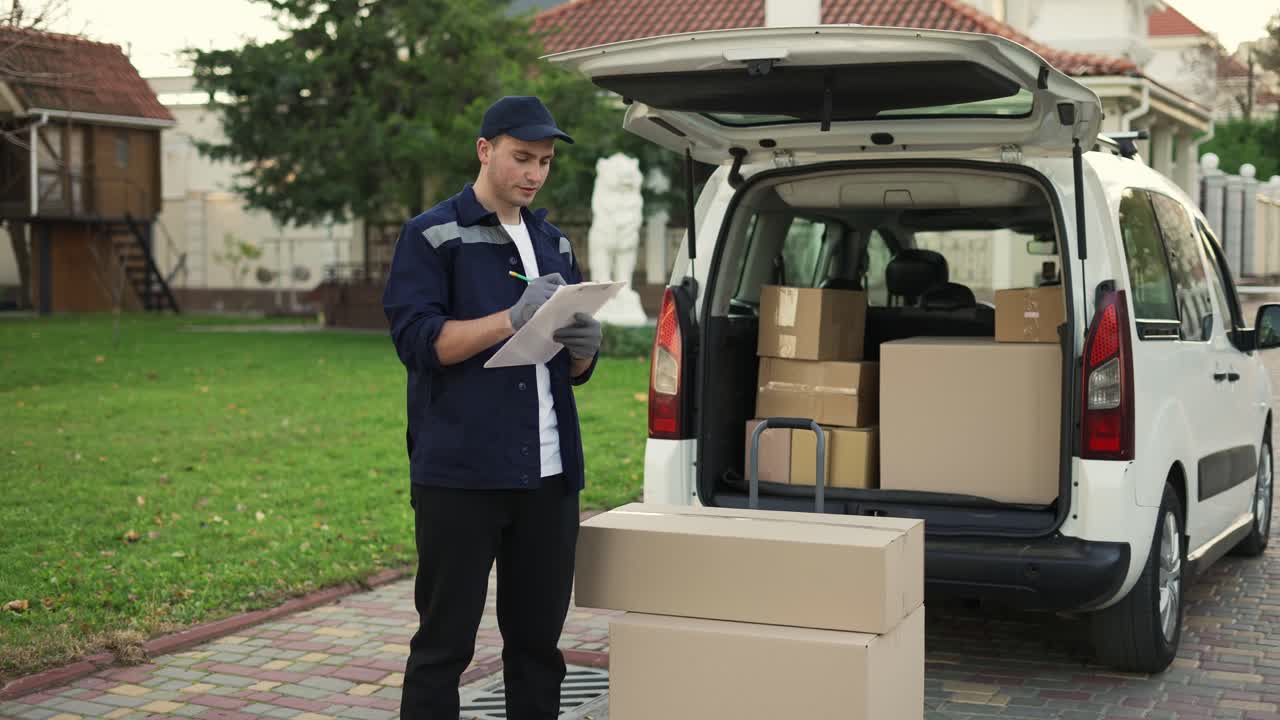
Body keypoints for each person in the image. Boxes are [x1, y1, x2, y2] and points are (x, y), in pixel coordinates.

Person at [382, 95, 602, 720]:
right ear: (485, 150)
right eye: (521, 158)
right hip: (462, 475)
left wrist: (585, 352)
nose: (534, 173)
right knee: (443, 646)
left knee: (538, 647)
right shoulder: (431, 235)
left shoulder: (555, 244)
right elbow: (419, 344)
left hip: (549, 476)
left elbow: (568, 366)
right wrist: (509, 317)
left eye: (545, 162)